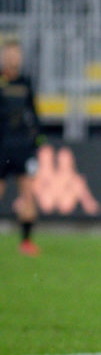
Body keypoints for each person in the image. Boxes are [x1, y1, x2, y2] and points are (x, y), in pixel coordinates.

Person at [0, 40, 43, 256]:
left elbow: (35, 115)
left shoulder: (26, 83)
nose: (13, 58)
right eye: (9, 54)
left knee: (27, 194)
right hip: (1, 146)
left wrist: (36, 142)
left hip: (22, 148)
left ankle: (26, 242)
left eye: (16, 54)